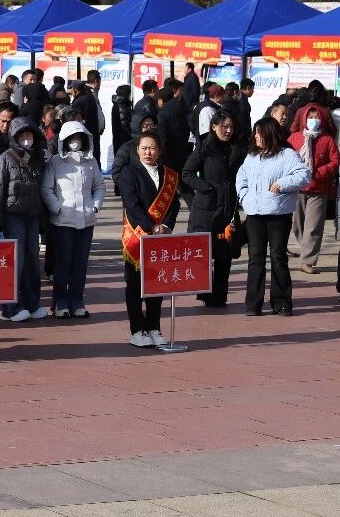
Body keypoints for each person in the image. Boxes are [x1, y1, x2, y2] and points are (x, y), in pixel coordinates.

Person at [235, 117, 311, 317]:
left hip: (279, 214)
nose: (256, 137)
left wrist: (282, 184)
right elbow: (241, 177)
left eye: (259, 133)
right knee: (255, 258)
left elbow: (304, 175)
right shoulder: (252, 156)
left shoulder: (287, 155)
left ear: (270, 134)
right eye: (255, 133)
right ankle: (253, 304)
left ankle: (282, 302)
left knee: (278, 257)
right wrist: (244, 195)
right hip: (254, 214)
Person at [119, 132, 181, 347]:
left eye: (152, 148)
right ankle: (137, 330)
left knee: (157, 283)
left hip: (159, 237)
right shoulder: (129, 173)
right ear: (137, 150)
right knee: (135, 285)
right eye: (144, 148)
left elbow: (174, 204)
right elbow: (132, 204)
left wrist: (166, 226)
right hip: (138, 236)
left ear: (159, 151)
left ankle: (154, 327)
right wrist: (151, 226)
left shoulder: (168, 175)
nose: (148, 152)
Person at [181, 110, 244, 306]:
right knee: (204, 252)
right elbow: (187, 173)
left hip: (228, 207)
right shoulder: (204, 147)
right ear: (214, 127)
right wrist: (207, 188)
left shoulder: (237, 148)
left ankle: (220, 296)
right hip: (206, 209)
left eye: (231, 127)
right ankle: (205, 294)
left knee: (225, 252)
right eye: (224, 126)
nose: (228, 131)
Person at [42, 121, 104, 318]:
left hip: (86, 220)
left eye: (79, 137)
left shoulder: (91, 162)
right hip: (62, 221)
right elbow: (46, 189)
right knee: (63, 263)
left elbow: (99, 186)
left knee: (80, 264)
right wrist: (57, 208)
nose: (75, 141)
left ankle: (77, 302)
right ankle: (60, 303)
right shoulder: (55, 162)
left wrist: (95, 205)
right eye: (72, 138)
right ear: (64, 140)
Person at [0, 117, 47, 321]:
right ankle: (10, 308)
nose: (26, 138)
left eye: (29, 134)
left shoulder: (38, 158)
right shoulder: (4, 159)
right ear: (14, 137)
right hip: (12, 217)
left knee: (32, 262)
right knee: (15, 262)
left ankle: (32, 304)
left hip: (32, 216)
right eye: (22, 135)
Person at [288, 105, 340, 274]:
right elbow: (286, 158)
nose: (313, 120)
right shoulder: (295, 138)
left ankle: (308, 260)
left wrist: (319, 173)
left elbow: (335, 161)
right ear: (303, 119)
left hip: (318, 189)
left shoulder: (327, 140)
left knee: (313, 226)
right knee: (297, 225)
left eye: (316, 117)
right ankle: (307, 249)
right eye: (310, 117)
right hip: (297, 189)